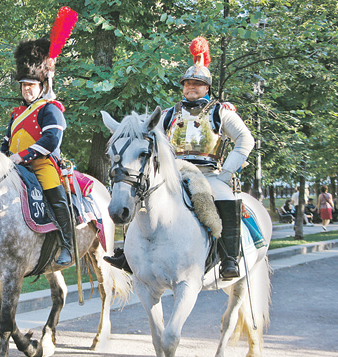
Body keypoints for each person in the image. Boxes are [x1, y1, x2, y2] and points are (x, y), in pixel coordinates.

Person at [105, 37, 255, 280]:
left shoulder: (220, 112)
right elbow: (145, 134)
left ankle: (229, 258)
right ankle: (129, 255)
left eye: (197, 83)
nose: (191, 87)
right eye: (187, 83)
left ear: (207, 87)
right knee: (143, 195)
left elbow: (245, 141)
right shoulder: (169, 114)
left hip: (209, 175)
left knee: (225, 197)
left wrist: (227, 174)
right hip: (175, 172)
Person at [0, 38, 72, 265]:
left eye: (30, 85)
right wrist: (2, 159)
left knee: (55, 196)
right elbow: (6, 142)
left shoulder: (50, 109)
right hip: (13, 166)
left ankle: (67, 245)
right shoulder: (16, 113)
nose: (26, 89)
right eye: (23, 85)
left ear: (42, 85)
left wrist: (21, 156)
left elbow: (51, 140)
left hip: (42, 164)